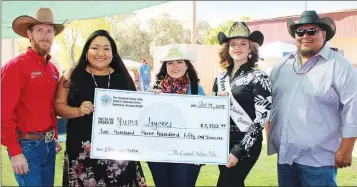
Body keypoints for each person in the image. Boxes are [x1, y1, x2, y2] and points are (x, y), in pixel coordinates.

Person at [268, 10, 357, 187]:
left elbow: (353, 107)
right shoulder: (282, 65)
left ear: (323, 34)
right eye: (300, 32)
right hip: (286, 159)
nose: (305, 36)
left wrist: (347, 148)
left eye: (312, 31)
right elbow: (269, 101)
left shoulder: (340, 66)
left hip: (319, 162)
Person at [54, 29, 146, 187]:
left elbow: (136, 110)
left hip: (118, 152)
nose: (100, 53)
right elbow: (58, 107)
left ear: (113, 52)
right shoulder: (71, 76)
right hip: (81, 152)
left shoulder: (123, 77)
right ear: (86, 51)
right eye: (95, 48)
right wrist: (78, 111)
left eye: (106, 48)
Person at [1, 8, 64, 186]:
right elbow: (4, 112)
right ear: (29, 34)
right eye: (39, 30)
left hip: (48, 145)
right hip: (26, 147)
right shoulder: (15, 67)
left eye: (50, 31)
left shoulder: (53, 70)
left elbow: (50, 107)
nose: (45, 35)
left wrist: (55, 136)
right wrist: (15, 152)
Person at [212, 22, 272, 187]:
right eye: (233, 44)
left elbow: (262, 119)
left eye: (243, 43)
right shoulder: (220, 78)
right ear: (228, 48)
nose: (237, 47)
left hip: (246, 142)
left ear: (250, 48)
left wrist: (239, 150)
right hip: (222, 141)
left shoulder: (260, 77)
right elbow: (210, 111)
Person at [147, 44, 204, 187]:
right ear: (165, 66)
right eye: (170, 63)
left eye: (179, 62)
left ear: (187, 66)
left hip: (187, 154)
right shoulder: (155, 89)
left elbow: (205, 119)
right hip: (159, 153)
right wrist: (150, 101)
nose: (175, 66)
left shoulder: (197, 90)